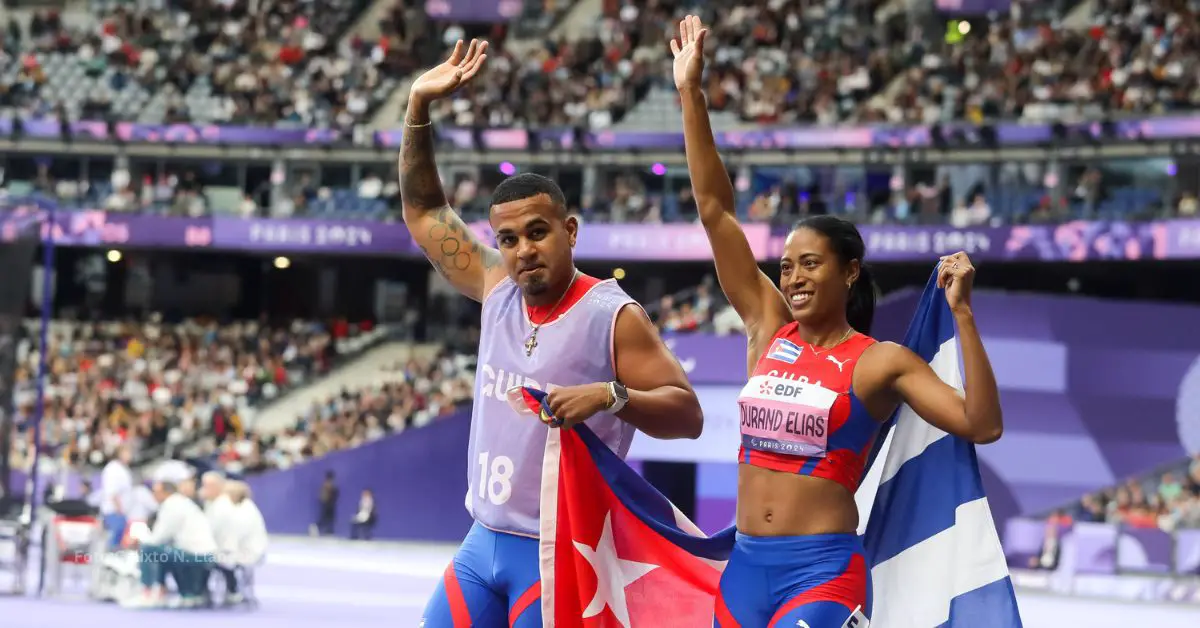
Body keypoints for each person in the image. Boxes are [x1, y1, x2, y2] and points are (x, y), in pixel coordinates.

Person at [669, 16, 1005, 627]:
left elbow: (981, 424)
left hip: (822, 573)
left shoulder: (879, 362)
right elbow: (715, 211)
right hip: (742, 570)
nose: (792, 278)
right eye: (786, 266)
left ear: (849, 272)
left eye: (809, 265)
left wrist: (963, 315)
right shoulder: (768, 328)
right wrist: (690, 93)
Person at [402, 39, 705, 628]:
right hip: (481, 542)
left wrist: (611, 396)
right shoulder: (496, 286)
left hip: (557, 554)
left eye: (537, 233)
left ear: (570, 230)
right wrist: (417, 108)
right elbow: (424, 211)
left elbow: (687, 415)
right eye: (509, 239)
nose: (522, 251)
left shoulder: (613, 315)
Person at [122, 481, 218, 609]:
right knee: (164, 552)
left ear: (165, 492)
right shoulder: (183, 503)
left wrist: (137, 539)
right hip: (204, 553)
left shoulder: (172, 505)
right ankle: (165, 591)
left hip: (196, 555)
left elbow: (157, 538)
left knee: (148, 549)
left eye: (156, 492)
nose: (153, 496)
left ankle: (148, 593)